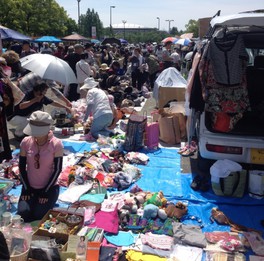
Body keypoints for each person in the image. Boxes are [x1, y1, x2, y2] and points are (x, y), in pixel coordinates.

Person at [17, 111, 63, 222]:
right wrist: (26, 189)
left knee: (39, 215)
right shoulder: (26, 142)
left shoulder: (56, 144)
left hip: (49, 187)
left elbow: (57, 169)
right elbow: (22, 166)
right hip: (30, 186)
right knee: (23, 214)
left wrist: (46, 191)